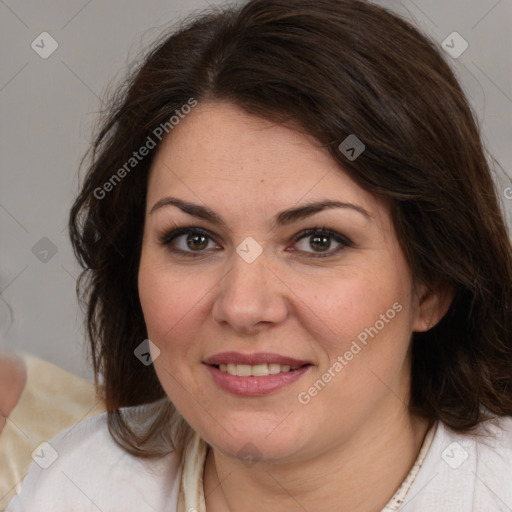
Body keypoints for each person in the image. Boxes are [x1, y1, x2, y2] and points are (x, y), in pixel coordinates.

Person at [6, 0, 512, 510]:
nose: (243, 307)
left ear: (431, 285)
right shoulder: (70, 487)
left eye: (319, 241)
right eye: (194, 240)